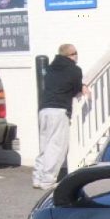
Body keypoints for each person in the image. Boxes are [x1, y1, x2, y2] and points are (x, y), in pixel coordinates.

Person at [32, 44, 89, 190]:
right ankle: (48, 181)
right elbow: (76, 88)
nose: (77, 56)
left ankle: (37, 177)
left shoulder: (51, 68)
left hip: (44, 109)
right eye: (75, 53)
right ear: (70, 55)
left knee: (45, 145)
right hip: (59, 110)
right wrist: (82, 86)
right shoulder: (74, 70)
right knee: (57, 146)